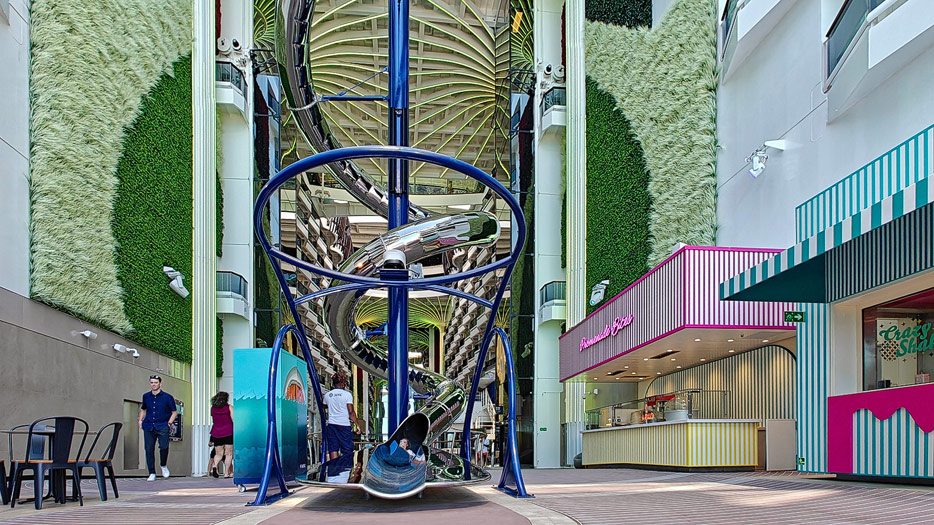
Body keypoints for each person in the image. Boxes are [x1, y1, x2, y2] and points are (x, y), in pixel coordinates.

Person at [138, 375, 178, 482]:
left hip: (163, 425)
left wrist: (169, 423)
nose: (153, 384)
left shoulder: (167, 397)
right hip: (149, 425)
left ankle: (163, 465)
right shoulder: (146, 396)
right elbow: (143, 409)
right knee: (149, 449)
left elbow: (174, 412)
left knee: (164, 446)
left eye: (155, 382)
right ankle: (152, 472)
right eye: (151, 382)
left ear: (160, 384)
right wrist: (140, 420)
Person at [323, 373, 361, 461]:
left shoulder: (328, 395)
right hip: (344, 425)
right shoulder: (347, 395)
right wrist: (357, 425)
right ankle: (346, 466)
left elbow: (324, 406)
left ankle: (334, 466)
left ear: (333, 383)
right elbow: (351, 412)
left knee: (333, 448)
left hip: (332, 425)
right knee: (347, 448)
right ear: (343, 383)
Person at [210, 391, 234, 478]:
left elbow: (213, 419)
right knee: (228, 454)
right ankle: (226, 473)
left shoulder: (213, 408)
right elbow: (233, 419)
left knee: (218, 454)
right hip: (228, 432)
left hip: (216, 433)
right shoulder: (229, 407)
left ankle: (215, 465)